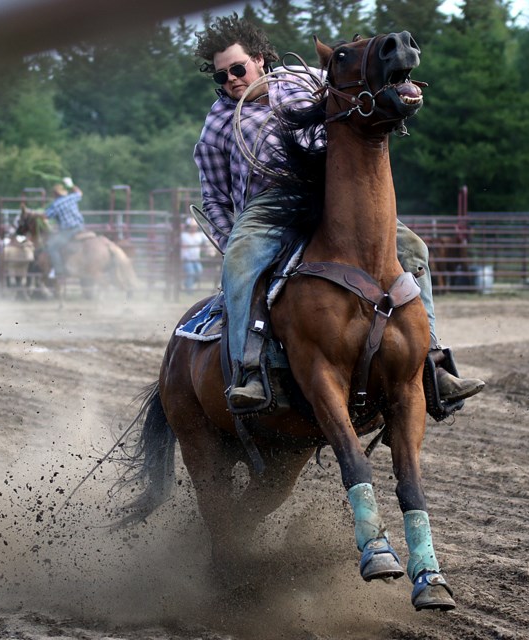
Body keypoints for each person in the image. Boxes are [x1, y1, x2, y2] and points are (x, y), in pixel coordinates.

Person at [193, 14, 484, 411]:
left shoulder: (306, 79)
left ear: (260, 59)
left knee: (413, 249)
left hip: (333, 193)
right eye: (221, 76)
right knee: (241, 262)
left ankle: (432, 362)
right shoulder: (217, 124)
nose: (231, 80)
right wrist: (231, 241)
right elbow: (213, 197)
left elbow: (355, 86)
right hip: (268, 208)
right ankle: (248, 371)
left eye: (237, 68)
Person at [44, 177, 84, 279]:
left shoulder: (56, 204)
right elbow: (79, 192)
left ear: (55, 194)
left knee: (52, 247)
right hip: (80, 227)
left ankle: (59, 271)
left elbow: (46, 216)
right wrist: (71, 185)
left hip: (68, 231)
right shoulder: (71, 197)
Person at [180, 217, 206, 292]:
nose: (193, 228)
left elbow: (209, 239)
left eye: (195, 227)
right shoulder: (184, 235)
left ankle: (187, 284)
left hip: (196, 258)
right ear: (188, 227)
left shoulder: (200, 235)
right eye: (192, 227)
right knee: (191, 273)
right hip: (187, 259)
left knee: (199, 272)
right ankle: (189, 291)